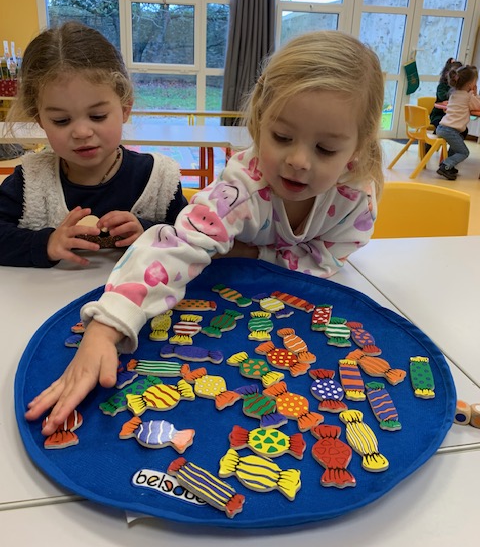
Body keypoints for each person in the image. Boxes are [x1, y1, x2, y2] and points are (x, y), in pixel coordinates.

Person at [25, 30, 385, 435]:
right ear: (259, 121)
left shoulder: (356, 198)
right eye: (282, 137)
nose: (298, 161)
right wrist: (106, 328)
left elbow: (330, 256)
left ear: (357, 148)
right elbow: (174, 247)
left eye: (326, 149)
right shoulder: (239, 191)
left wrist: (255, 256)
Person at [0, 22, 187, 267]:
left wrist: (150, 232)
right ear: (40, 120)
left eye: (97, 116)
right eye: (61, 120)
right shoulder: (30, 181)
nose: (82, 132)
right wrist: (46, 243)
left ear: (125, 109)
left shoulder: (159, 180)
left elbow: (193, 237)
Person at [436, 64, 480, 181]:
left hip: (442, 127)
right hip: (451, 130)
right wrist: (475, 94)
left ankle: (449, 166)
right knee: (464, 152)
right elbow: (478, 105)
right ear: (470, 84)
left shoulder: (453, 94)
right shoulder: (468, 97)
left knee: (457, 142)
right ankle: (445, 165)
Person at [429, 57, 463, 131]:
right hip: (438, 116)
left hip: (452, 117)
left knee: (463, 130)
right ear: (447, 74)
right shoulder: (442, 86)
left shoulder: (460, 88)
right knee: (443, 126)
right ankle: (436, 137)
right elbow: (443, 97)